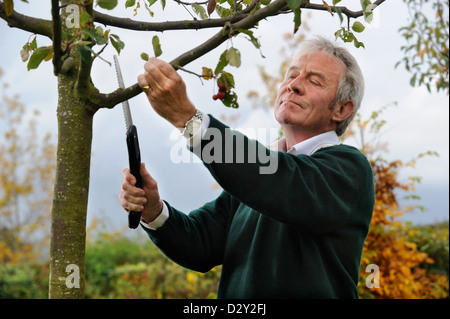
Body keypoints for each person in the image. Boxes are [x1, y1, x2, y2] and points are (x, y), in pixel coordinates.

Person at [119, 36, 375, 298]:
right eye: (292, 75)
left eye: (314, 81)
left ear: (342, 109)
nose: (293, 86)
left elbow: (273, 178)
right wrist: (154, 211)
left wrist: (190, 121)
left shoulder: (349, 170)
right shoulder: (256, 176)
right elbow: (200, 243)